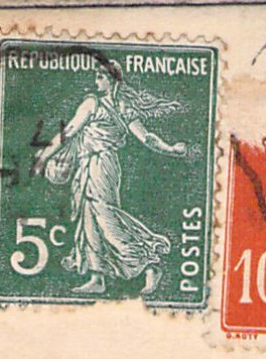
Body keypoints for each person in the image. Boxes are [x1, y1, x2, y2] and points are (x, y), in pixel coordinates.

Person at [32, 61, 189, 297]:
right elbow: (70, 132)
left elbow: (145, 137)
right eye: (96, 76)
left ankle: (148, 263)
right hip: (90, 164)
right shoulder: (104, 104)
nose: (96, 82)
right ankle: (97, 277)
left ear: (112, 79)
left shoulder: (100, 105)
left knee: (105, 217)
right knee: (89, 218)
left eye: (100, 77)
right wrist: (44, 156)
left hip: (102, 165)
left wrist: (170, 149)